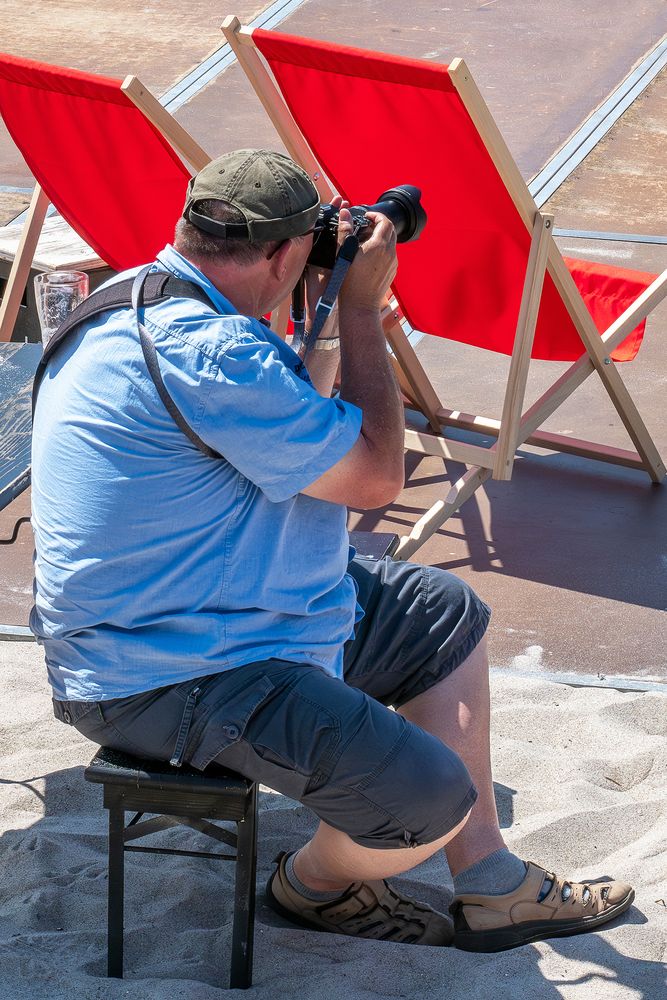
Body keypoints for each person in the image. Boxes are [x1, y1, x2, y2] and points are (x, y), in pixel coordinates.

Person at [31, 148, 633, 951]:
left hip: (171, 616)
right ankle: (311, 886)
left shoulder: (134, 297)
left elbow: (291, 424)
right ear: (285, 251)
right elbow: (375, 477)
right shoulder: (215, 355)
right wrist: (357, 313)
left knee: (437, 611)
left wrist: (315, 316)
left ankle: (489, 883)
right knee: (428, 803)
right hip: (167, 673)